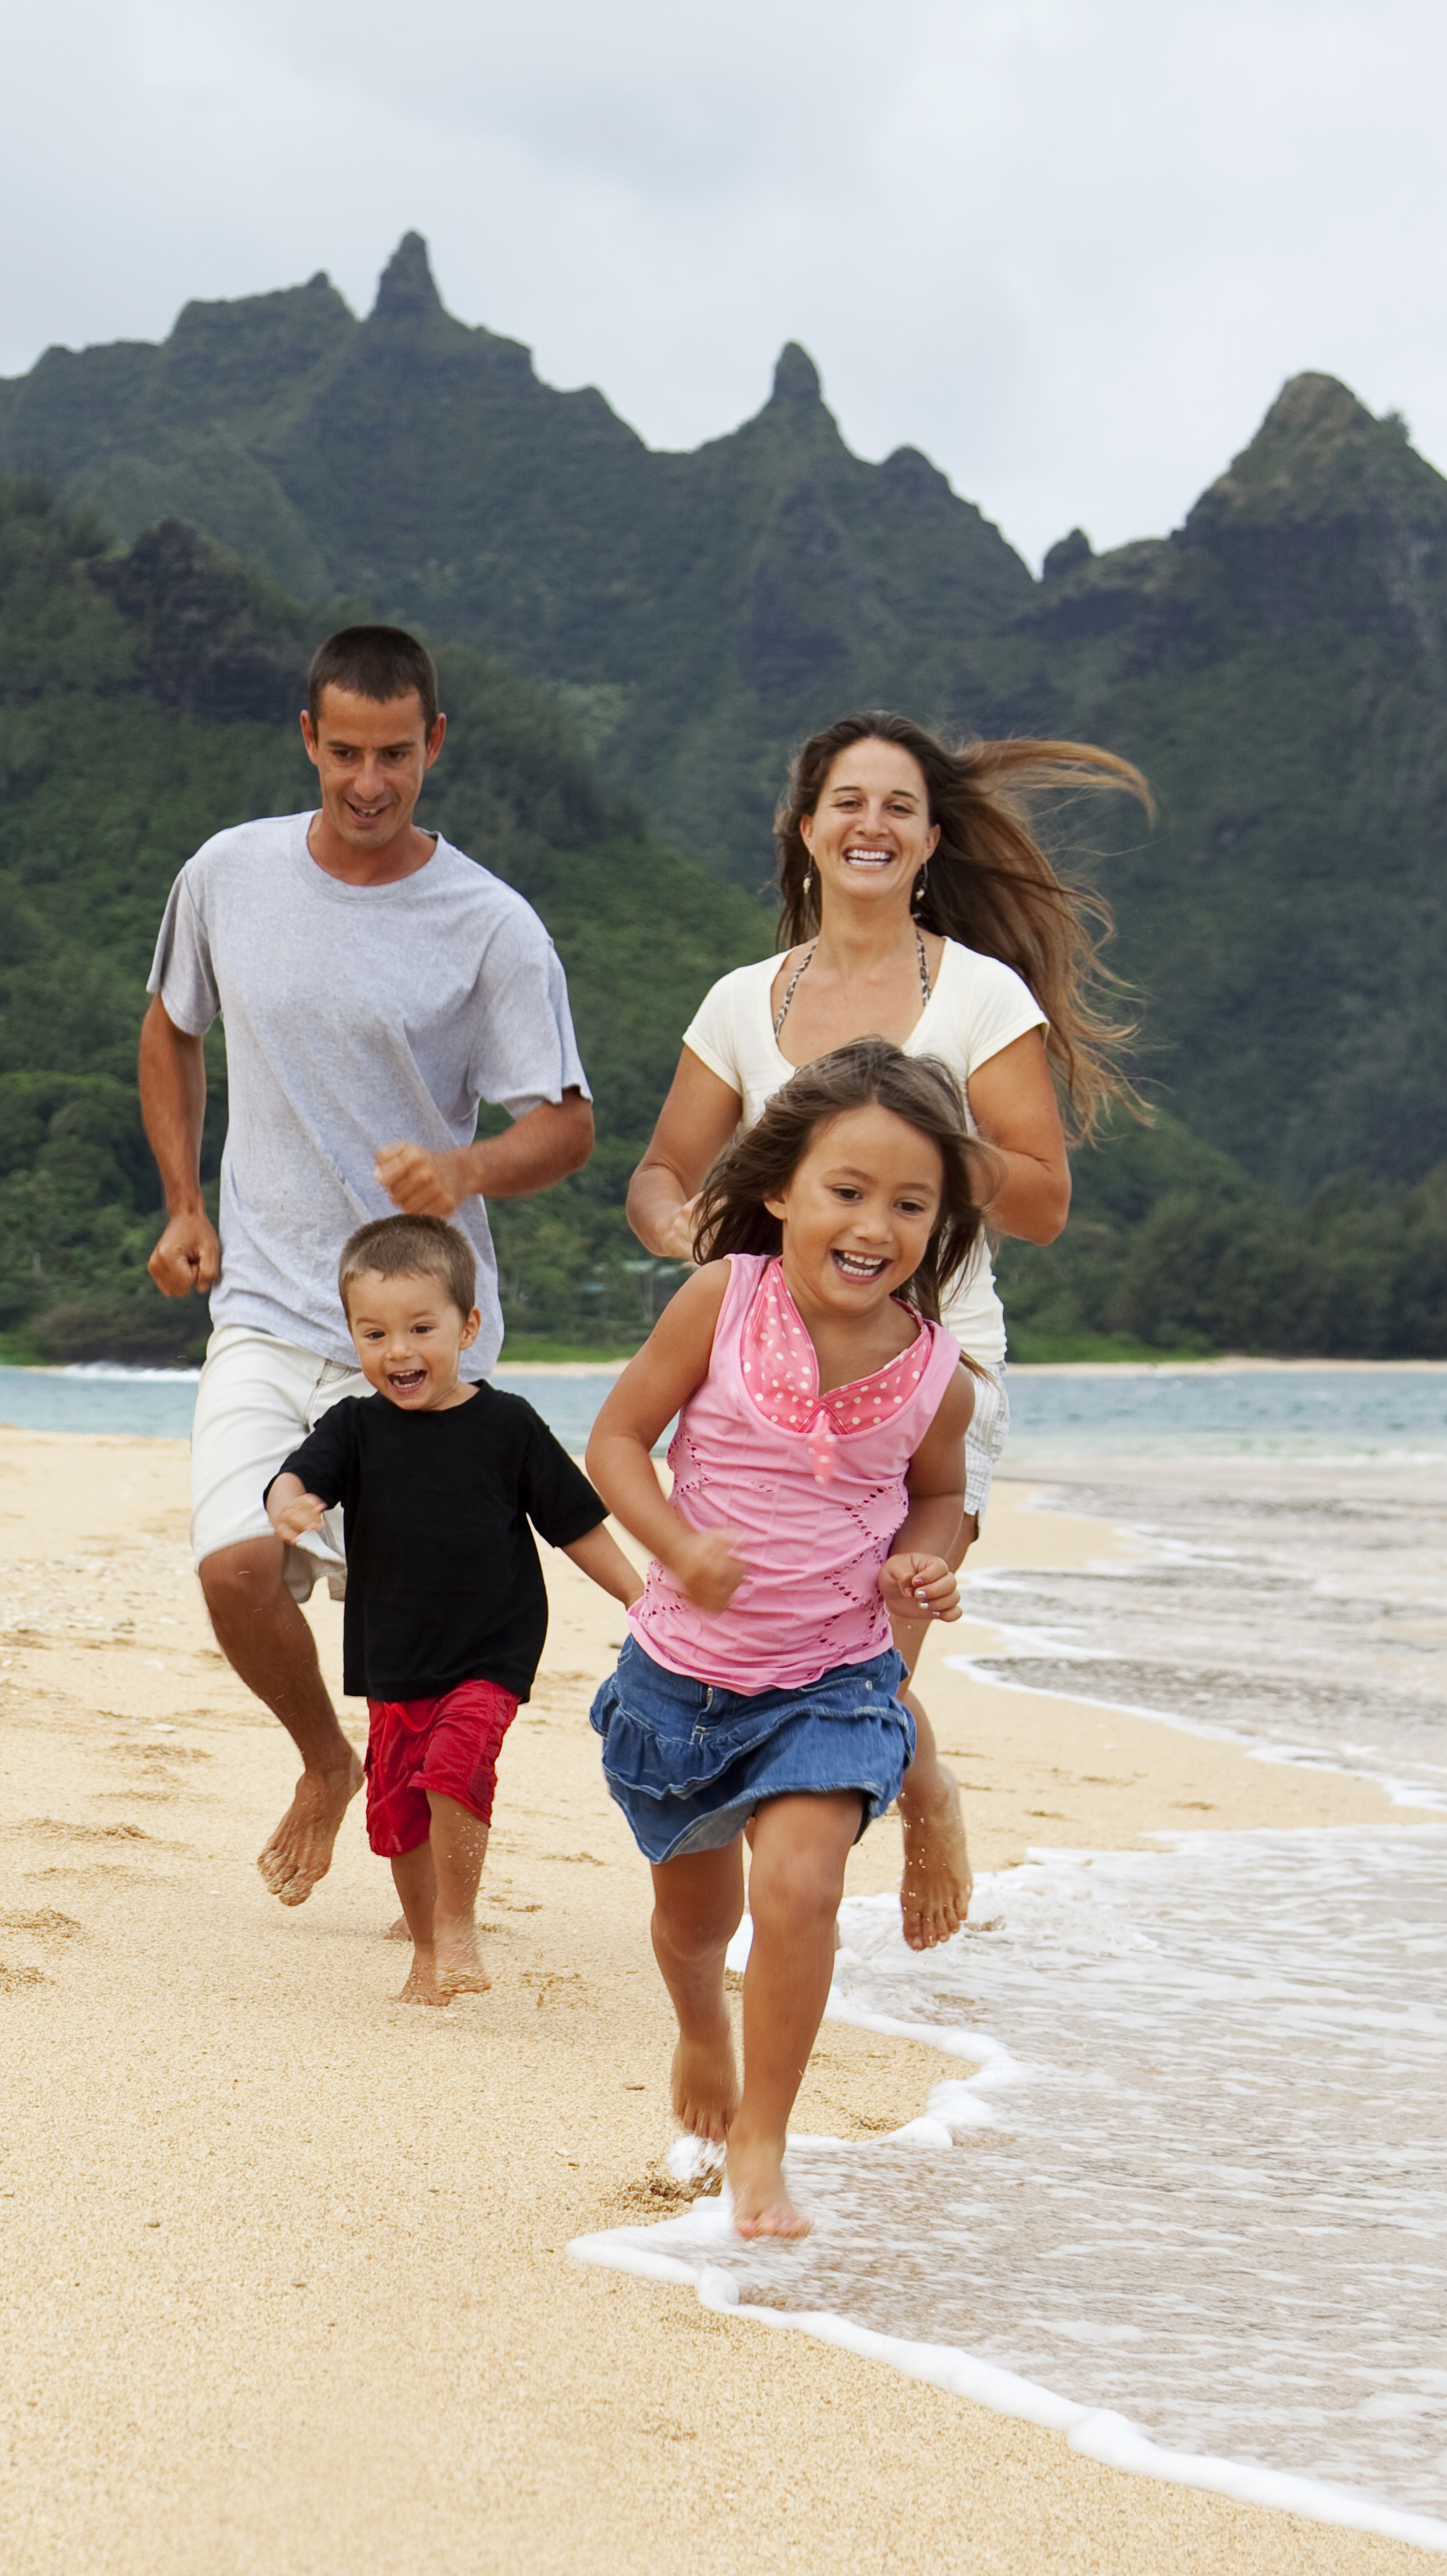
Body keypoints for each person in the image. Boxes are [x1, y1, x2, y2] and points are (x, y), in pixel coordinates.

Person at [617, 713, 1147, 1953]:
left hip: (932, 1365)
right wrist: (681, 1225)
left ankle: (860, 1842)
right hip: (762, 1377)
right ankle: (878, 1802)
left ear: (930, 839)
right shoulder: (743, 1002)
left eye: (898, 806)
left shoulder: (977, 995)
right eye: (846, 801)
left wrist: (888, 1140)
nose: (871, 823)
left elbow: (1046, 1198)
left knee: (862, 1654)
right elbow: (662, 1168)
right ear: (805, 830)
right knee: (770, 1635)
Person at [142, 625, 596, 1909]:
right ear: (307, 739)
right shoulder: (228, 875)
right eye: (344, 752)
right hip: (273, 1312)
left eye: (395, 754)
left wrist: (466, 1172)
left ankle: (437, 1926)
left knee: (430, 1658)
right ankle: (322, 1765)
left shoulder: (489, 925)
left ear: (434, 743)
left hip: (423, 1336)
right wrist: (184, 1200)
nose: (368, 781)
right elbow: (171, 1031)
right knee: (237, 1563)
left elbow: (565, 1127)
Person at [584, 1042, 979, 2241]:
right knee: (692, 1927)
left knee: (801, 1886)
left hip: (832, 1680)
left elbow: (940, 1495)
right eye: (846, 1191)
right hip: (683, 1685)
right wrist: (678, 1545)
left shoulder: (936, 1376)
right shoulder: (721, 1300)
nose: (874, 1225)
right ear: (779, 1193)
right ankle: (702, 2022)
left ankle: (764, 2136)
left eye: (910, 1204)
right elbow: (612, 1446)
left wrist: (931, 1556)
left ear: (940, 1222)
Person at [264, 1213, 643, 2005]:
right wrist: (290, 1502)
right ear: (354, 1338)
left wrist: (643, 1600)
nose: (398, 1351)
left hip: (491, 1649)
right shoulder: (355, 1428)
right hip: (395, 1659)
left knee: (455, 1766)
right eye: (374, 1334)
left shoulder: (508, 1426)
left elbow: (575, 1525)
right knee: (399, 1815)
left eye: (420, 1328)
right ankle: (428, 1953)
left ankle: (460, 1922)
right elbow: (296, 1478)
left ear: (468, 1327)